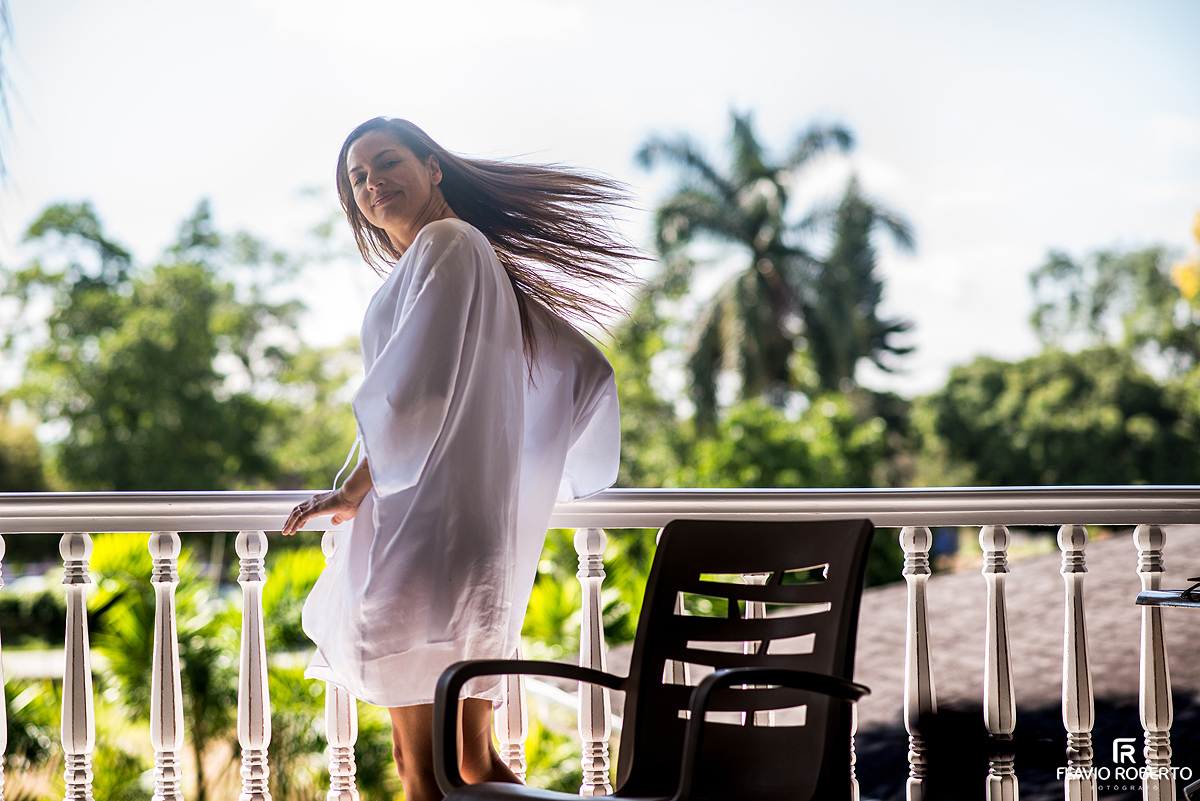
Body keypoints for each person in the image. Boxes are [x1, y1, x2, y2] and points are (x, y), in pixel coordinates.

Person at [281, 118, 635, 801]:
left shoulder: (448, 243)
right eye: (357, 177)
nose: (372, 182)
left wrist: (352, 490)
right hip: (465, 535)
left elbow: (418, 391)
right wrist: (500, 458)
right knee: (473, 768)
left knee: (426, 774)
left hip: (422, 537)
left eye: (387, 162)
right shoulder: (468, 256)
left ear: (433, 167)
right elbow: (584, 370)